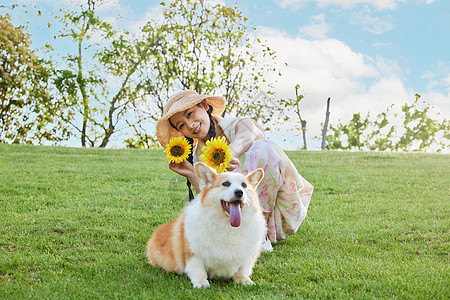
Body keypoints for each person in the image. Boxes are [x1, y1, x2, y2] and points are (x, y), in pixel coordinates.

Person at [156, 90, 313, 251]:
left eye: (189, 114)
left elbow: (246, 135)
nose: (189, 125)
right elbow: (208, 202)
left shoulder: (240, 124)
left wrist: (229, 153)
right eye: (181, 125)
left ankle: (260, 235)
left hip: (279, 213)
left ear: (204, 106)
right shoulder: (199, 158)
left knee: (265, 148)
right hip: (236, 224)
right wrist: (191, 172)